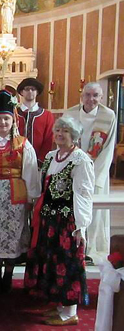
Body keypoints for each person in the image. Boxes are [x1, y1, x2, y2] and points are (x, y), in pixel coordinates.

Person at [25, 117, 94, 326]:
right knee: (53, 264)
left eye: (65, 131)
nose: (60, 134)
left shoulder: (80, 160)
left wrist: (81, 226)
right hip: (49, 220)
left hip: (67, 223)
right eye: (58, 130)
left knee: (69, 263)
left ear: (74, 135)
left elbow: (84, 193)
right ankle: (60, 306)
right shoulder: (51, 156)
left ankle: (70, 312)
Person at [0, 90, 41, 293]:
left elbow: (30, 171)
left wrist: (31, 196)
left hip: (15, 196)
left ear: (13, 120)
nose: (3, 123)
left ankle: (9, 276)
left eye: (6, 118)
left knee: (14, 233)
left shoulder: (23, 144)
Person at [63, 82, 116, 264]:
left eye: (95, 95)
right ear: (81, 96)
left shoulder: (108, 116)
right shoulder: (69, 114)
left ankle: (92, 250)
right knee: (73, 209)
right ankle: (72, 246)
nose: (91, 99)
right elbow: (61, 142)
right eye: (87, 95)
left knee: (93, 212)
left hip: (96, 172)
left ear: (101, 98)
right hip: (73, 171)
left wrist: (93, 175)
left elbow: (108, 149)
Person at [17, 78, 54, 166]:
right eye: (27, 89)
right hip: (16, 161)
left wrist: (40, 160)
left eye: (33, 89)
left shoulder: (46, 115)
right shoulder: (14, 113)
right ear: (22, 92)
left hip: (38, 162)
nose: (30, 91)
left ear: (37, 92)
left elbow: (49, 139)